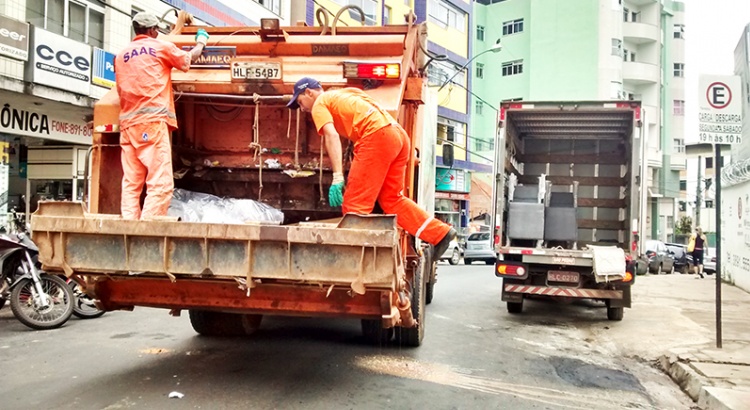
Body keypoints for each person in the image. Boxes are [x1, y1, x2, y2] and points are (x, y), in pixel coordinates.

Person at [287, 78, 457, 257]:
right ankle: (440, 233)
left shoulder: (319, 103)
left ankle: (354, 261)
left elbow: (331, 135)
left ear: (309, 93)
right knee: (392, 200)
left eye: (300, 102)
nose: (302, 108)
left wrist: (337, 176)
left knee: (355, 205)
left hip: (376, 136)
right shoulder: (345, 93)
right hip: (397, 135)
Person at [114, 11, 209, 220]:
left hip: (128, 126)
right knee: (160, 183)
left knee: (131, 183)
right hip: (152, 125)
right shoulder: (160, 47)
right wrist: (201, 42)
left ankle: (128, 229)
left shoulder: (121, 56)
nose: (158, 32)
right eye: (156, 29)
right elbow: (187, 60)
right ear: (150, 30)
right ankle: (147, 232)